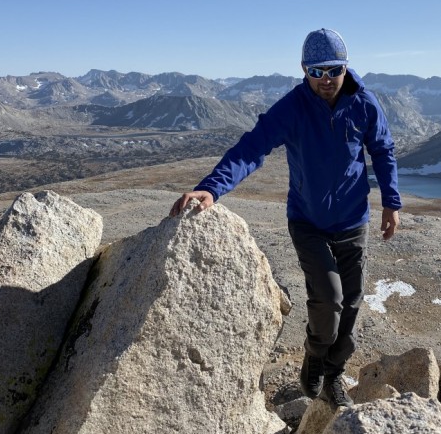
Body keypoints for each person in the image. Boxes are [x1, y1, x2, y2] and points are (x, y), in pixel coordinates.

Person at [169, 28, 402, 407]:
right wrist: (211, 188)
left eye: (332, 70)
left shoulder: (364, 104)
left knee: (352, 306)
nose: (324, 80)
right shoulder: (292, 108)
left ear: (346, 67)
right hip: (307, 221)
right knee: (328, 301)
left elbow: (383, 150)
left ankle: (334, 374)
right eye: (315, 72)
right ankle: (314, 355)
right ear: (303, 70)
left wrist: (391, 202)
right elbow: (251, 148)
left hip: (353, 222)